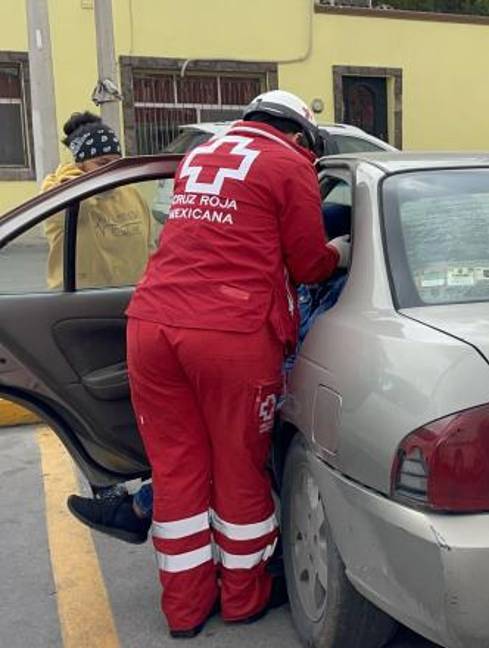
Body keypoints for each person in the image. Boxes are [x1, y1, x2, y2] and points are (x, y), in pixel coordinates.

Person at [112, 90, 349, 638]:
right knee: (238, 467)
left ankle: (185, 611)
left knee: (176, 471)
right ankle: (243, 599)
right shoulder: (289, 163)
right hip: (230, 335)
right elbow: (310, 264)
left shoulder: (201, 155)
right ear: (299, 135)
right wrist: (340, 249)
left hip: (150, 325)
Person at [67, 202, 355, 547]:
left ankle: (143, 512)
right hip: (262, 377)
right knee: (203, 446)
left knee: (214, 450)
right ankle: (144, 512)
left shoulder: (337, 294)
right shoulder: (305, 282)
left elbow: (304, 355)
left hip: (287, 392)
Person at [41, 112, 151, 289]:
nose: (111, 170)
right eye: (102, 163)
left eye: (116, 163)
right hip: (80, 302)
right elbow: (78, 210)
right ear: (80, 165)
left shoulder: (130, 192)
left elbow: (149, 248)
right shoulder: (59, 190)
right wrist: (75, 179)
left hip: (130, 296)